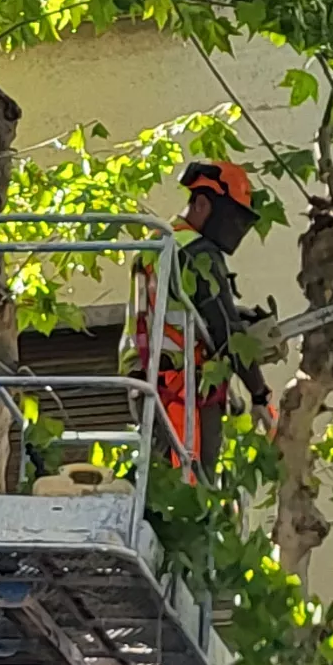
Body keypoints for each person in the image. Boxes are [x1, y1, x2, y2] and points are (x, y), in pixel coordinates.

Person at [141, 160, 276, 477]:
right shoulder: (198, 251)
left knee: (164, 484)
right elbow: (226, 332)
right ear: (202, 203)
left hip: (148, 377)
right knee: (191, 487)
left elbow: (183, 308)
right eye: (230, 217)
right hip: (182, 386)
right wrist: (259, 392)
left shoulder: (158, 242)